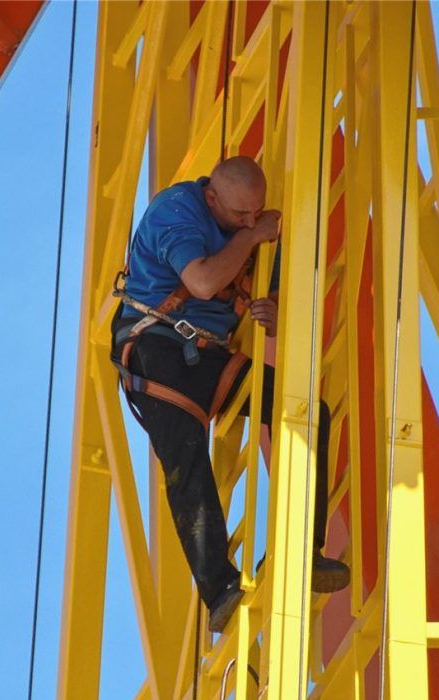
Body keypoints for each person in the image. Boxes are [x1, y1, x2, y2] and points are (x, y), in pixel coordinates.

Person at [111, 156, 350, 633]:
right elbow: (200, 280)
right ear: (211, 197)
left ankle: (306, 547)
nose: (249, 220)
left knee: (309, 412)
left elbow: (274, 290)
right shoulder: (176, 209)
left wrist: (272, 309)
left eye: (254, 212)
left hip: (211, 355)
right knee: (186, 463)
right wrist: (250, 236)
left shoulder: (253, 226)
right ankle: (219, 588)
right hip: (158, 350)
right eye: (239, 213)